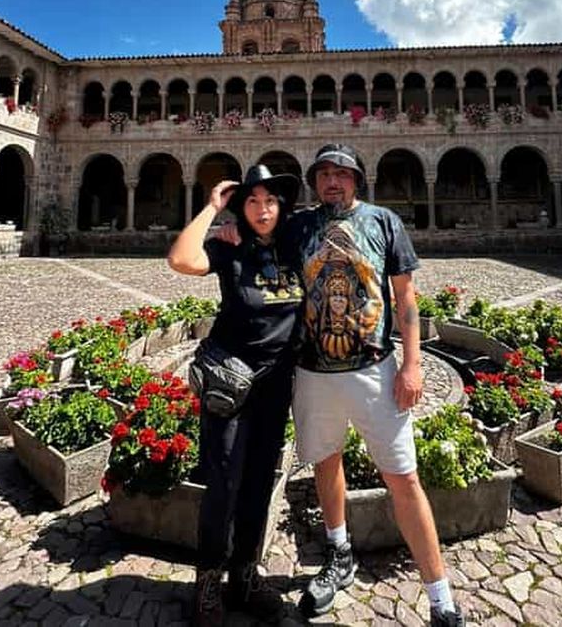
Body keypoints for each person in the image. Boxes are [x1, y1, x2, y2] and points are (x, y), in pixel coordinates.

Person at [289, 144, 465, 626]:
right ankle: (339, 552)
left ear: (357, 179)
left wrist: (413, 364)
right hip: (314, 373)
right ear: (314, 181)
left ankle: (441, 598)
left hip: (374, 371)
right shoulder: (300, 227)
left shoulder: (383, 222)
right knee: (326, 462)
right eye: (324, 173)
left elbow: (405, 298)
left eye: (342, 173)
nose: (332, 181)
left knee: (403, 476)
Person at [167, 165, 303, 627]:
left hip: (275, 388)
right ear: (241, 208)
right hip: (231, 385)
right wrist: (212, 209)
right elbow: (181, 260)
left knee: (260, 482)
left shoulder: (293, 248)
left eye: (270, 201)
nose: (262, 210)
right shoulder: (231, 247)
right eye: (253, 201)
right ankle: (208, 579)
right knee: (224, 482)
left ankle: (244, 575)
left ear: (281, 207)